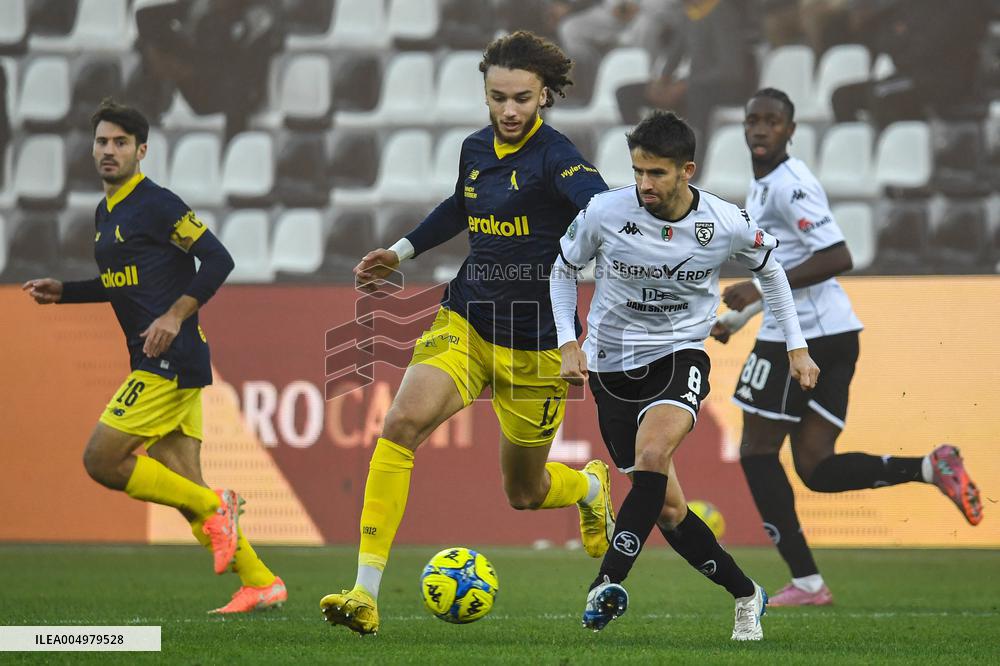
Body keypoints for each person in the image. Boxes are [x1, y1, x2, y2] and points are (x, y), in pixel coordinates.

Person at [319, 31, 614, 636]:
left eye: (523, 99)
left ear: (545, 97)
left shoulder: (559, 159)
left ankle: (588, 487)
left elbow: (603, 209)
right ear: (485, 94)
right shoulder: (475, 149)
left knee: (525, 494)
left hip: (535, 349)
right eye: (498, 97)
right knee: (400, 425)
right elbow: (460, 206)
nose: (509, 111)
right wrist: (399, 252)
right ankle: (364, 593)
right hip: (467, 320)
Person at [549, 110, 820, 639]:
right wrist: (566, 342)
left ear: (687, 170)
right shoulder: (605, 212)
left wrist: (797, 348)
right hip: (609, 365)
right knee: (669, 509)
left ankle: (607, 582)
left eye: (656, 173)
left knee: (653, 456)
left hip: (679, 355)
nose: (644, 184)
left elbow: (773, 271)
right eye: (637, 172)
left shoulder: (724, 222)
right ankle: (747, 593)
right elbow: (562, 270)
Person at [712, 88, 984, 607]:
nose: (761, 129)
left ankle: (808, 583)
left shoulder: (790, 187)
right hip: (836, 332)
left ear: (792, 131)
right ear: (744, 128)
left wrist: (750, 292)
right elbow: (786, 263)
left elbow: (838, 255)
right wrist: (740, 316)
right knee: (815, 467)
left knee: (757, 451)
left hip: (801, 339)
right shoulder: (765, 183)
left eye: (773, 122)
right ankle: (931, 466)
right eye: (753, 120)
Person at [22, 99, 286, 614]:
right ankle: (260, 581)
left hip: (170, 354)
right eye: (102, 142)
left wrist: (175, 315)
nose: (109, 151)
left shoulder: (158, 203)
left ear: (142, 150)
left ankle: (219, 507)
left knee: (102, 459)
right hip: (158, 355)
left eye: (121, 143)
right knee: (186, 485)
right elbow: (125, 282)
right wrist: (67, 292)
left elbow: (218, 257)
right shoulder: (106, 212)